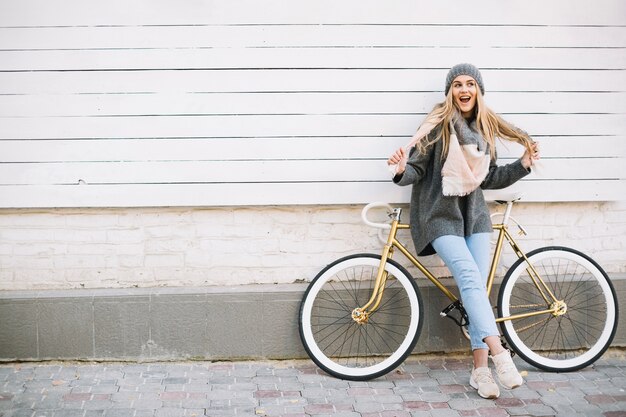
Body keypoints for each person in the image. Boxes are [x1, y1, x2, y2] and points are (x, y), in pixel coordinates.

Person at [387, 63, 540, 399]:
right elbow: (415, 167)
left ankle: (481, 373)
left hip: (475, 218)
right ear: (450, 92)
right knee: (471, 281)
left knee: (476, 292)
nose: (464, 89)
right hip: (439, 216)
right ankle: (500, 354)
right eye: (457, 84)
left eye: (470, 83)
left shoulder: (484, 131)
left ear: (478, 91)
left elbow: (488, 179)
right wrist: (401, 169)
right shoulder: (436, 126)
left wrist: (523, 166)